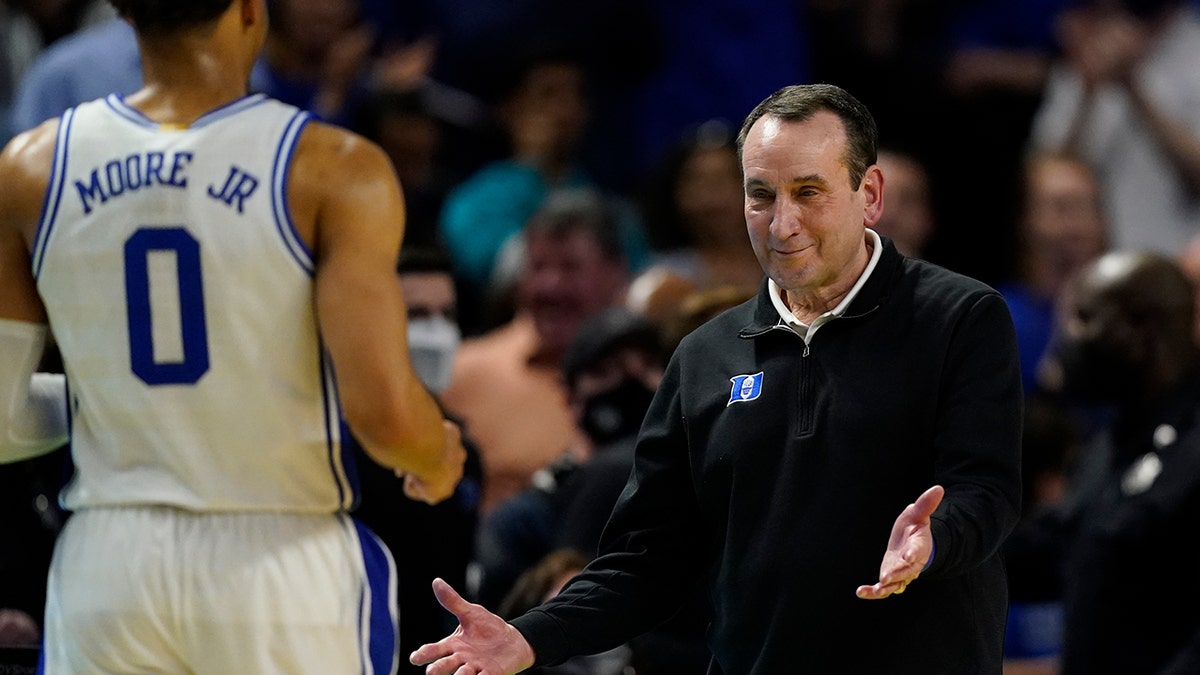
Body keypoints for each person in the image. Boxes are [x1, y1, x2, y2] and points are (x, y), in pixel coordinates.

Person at [411, 83, 1023, 674]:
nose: (782, 224)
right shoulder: (704, 356)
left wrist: (934, 540)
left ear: (870, 194)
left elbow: (986, 493)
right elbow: (648, 560)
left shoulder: (959, 317)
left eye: (809, 192)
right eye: (762, 195)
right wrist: (529, 637)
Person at [0, 1, 466, 673]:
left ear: (127, 15)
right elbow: (387, 418)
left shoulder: (30, 166)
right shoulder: (332, 166)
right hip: (278, 556)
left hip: (108, 563)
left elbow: (5, 418)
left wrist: (114, 404)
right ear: (252, 8)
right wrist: (435, 454)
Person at [1031, 249, 1200, 675]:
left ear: (1142, 327)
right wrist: (937, 543)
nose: (1067, 340)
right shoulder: (1105, 447)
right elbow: (1049, 552)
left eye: (1084, 319)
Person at [440, 188, 633, 516]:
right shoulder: (463, 371)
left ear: (615, 273)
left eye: (570, 267)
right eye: (538, 267)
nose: (550, 286)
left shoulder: (654, 373)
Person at [351, 243, 483, 673]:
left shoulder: (464, 451)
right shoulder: (334, 448)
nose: (437, 331)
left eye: (447, 314)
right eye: (418, 315)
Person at [1027, 0, 1200, 256]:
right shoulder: (1087, 54)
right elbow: (1048, 171)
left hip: (1180, 258)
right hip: (1091, 264)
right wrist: (1087, 89)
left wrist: (1132, 86)